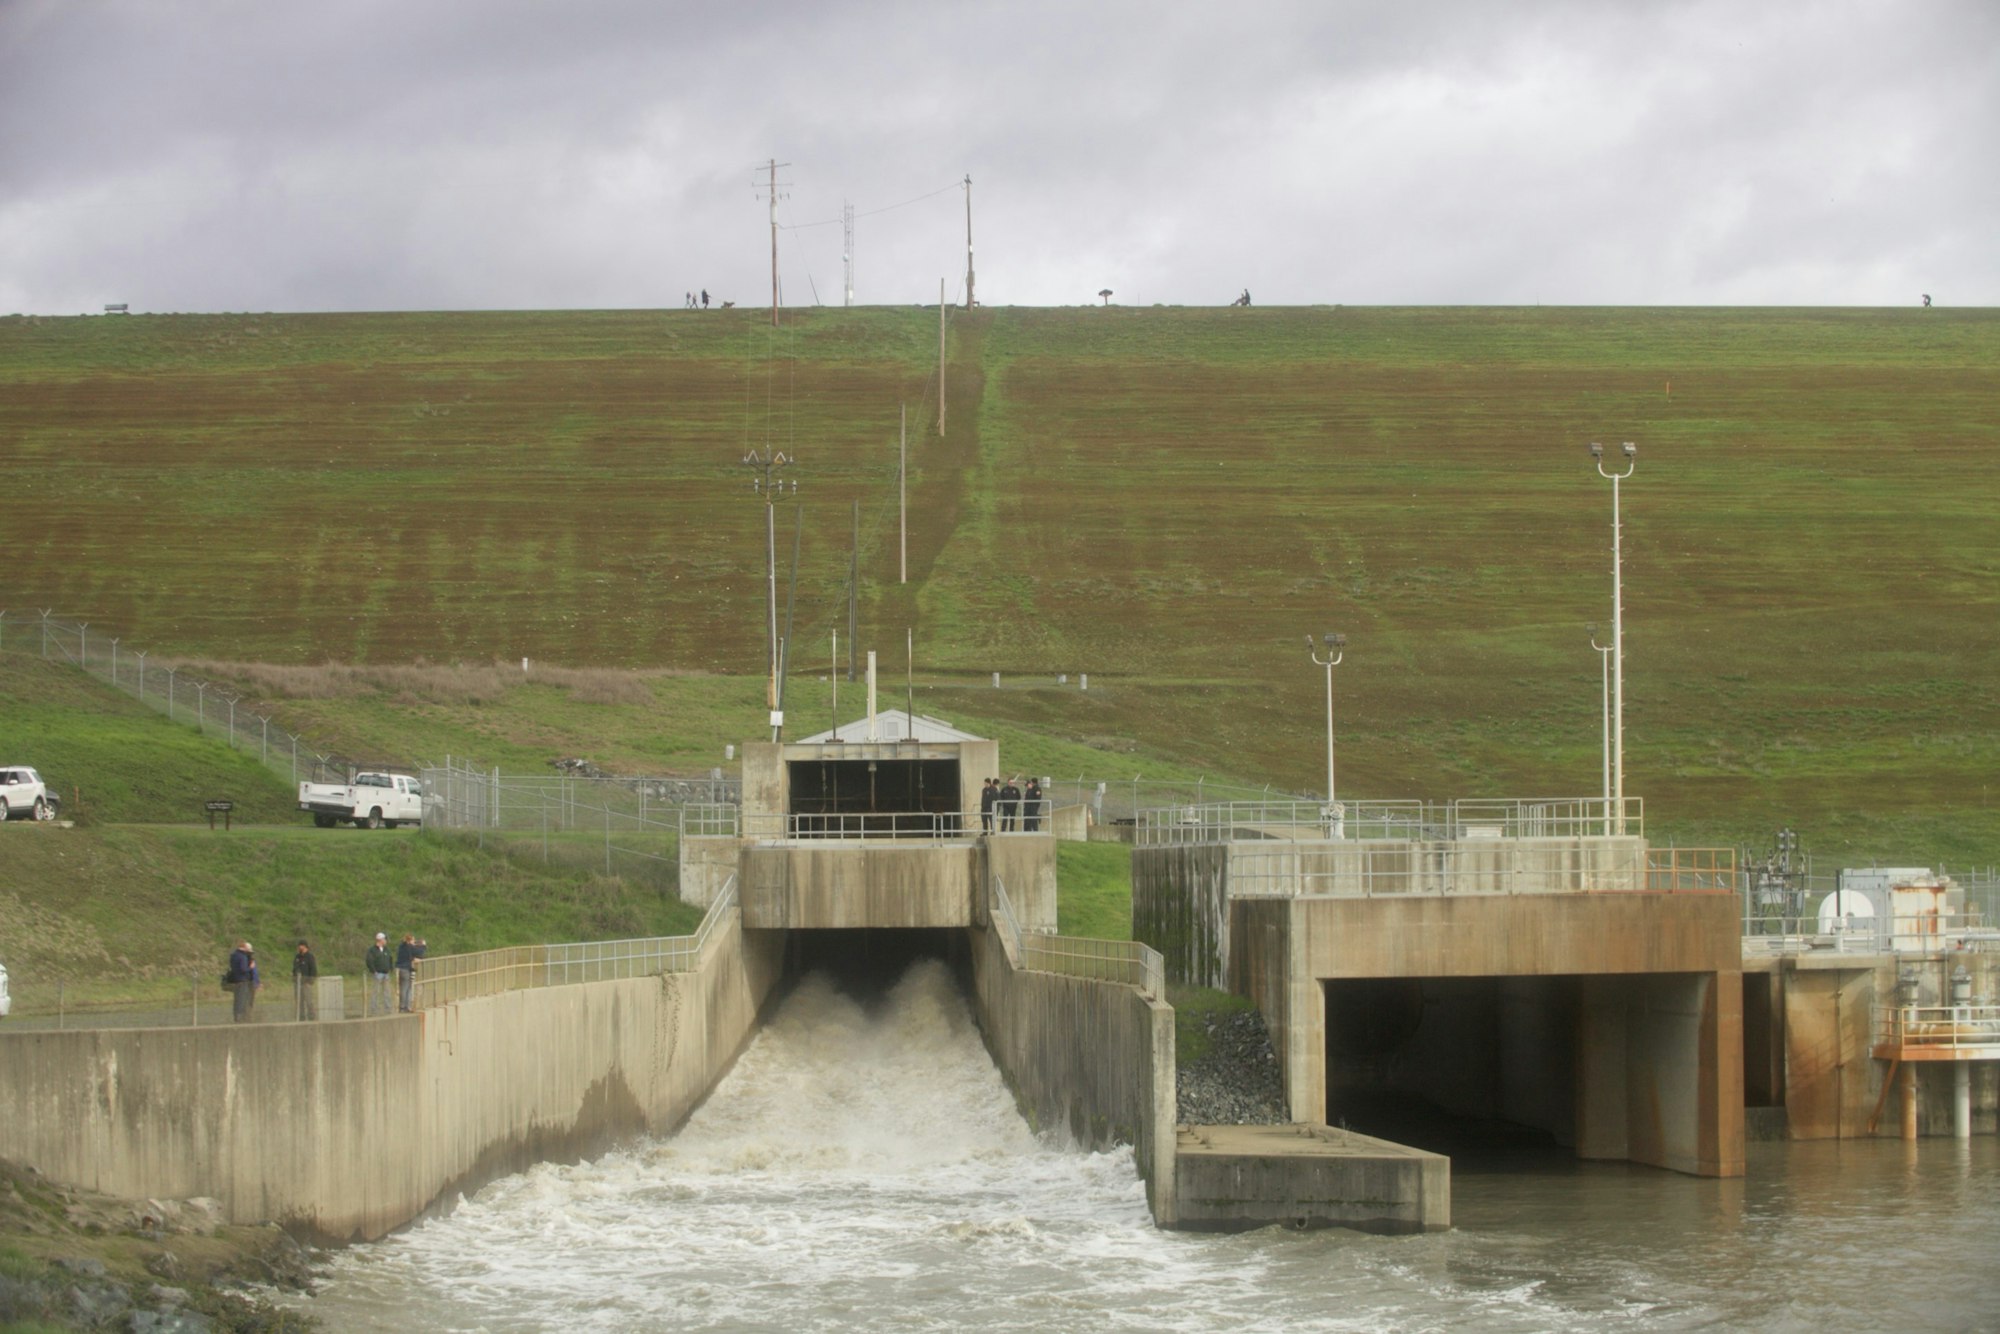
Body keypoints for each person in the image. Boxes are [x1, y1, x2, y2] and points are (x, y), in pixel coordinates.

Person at [226, 941, 259, 1023]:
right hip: (243, 981)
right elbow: (244, 969)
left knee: (237, 1000)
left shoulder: (233, 956)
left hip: (236, 980)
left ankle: (237, 1016)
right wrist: (250, 967)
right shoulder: (242, 957)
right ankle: (241, 1018)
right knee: (243, 1000)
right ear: (245, 948)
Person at [396, 932, 427, 1013]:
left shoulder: (402, 946)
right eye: (413, 940)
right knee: (406, 988)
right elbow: (419, 952)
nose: (414, 942)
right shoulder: (408, 947)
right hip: (405, 969)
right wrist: (423, 945)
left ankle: (405, 1007)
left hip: (402, 968)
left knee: (406, 988)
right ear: (409, 941)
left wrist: (413, 958)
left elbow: (411, 955)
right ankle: (404, 1007)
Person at [366, 932, 394, 1017]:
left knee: (387, 992)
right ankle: (374, 1009)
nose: (386, 941)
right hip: (378, 973)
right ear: (380, 940)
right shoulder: (372, 950)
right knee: (376, 992)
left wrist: (390, 968)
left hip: (386, 973)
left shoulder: (386, 949)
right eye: (384, 939)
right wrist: (374, 971)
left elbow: (390, 959)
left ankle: (388, 1008)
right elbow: (369, 960)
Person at [292, 940, 318, 1021]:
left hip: (306, 983)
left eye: (301, 945)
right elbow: (294, 968)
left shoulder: (310, 957)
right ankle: (301, 1017)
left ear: (305, 946)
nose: (299, 947)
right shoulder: (297, 957)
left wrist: (310, 981)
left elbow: (313, 970)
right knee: (299, 1002)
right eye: (299, 945)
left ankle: (311, 1017)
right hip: (298, 983)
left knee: (309, 1001)